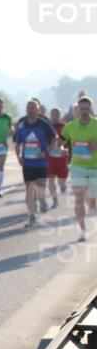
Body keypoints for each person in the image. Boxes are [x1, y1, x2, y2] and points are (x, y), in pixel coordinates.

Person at [14, 99, 56, 228]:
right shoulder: (21, 125)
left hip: (41, 163)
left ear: (38, 110)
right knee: (29, 190)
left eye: (33, 107)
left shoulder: (44, 124)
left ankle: (42, 201)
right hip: (28, 163)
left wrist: (47, 152)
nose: (31, 110)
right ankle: (31, 216)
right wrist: (18, 156)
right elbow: (17, 143)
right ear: (26, 110)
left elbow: (54, 139)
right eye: (29, 107)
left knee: (40, 190)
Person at [62, 96, 97, 241]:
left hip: (94, 167)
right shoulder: (70, 126)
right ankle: (82, 231)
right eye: (81, 109)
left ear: (91, 109)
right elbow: (60, 140)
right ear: (77, 110)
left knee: (93, 202)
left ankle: (92, 202)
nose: (83, 111)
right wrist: (59, 148)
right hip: (77, 166)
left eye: (86, 109)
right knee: (78, 198)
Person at [47, 107, 69, 209]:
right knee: (50, 181)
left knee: (61, 181)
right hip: (50, 158)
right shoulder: (46, 126)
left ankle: (63, 185)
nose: (54, 116)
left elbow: (70, 141)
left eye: (57, 114)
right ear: (50, 115)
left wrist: (66, 151)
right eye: (53, 114)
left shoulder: (65, 126)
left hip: (61, 158)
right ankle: (55, 201)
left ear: (60, 116)